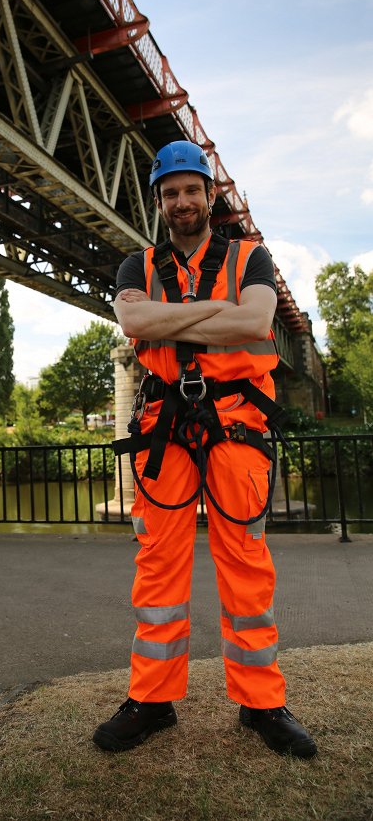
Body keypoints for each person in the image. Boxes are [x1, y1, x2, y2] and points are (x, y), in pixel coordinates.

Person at [93, 140, 317, 759]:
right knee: (158, 568)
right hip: (166, 432)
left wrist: (176, 315)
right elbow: (135, 326)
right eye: (171, 193)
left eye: (193, 189)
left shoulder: (252, 255)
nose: (183, 201)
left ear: (210, 195)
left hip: (238, 428)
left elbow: (255, 323)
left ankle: (262, 703)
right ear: (160, 201)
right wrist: (218, 309)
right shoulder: (134, 266)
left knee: (245, 567)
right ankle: (153, 700)